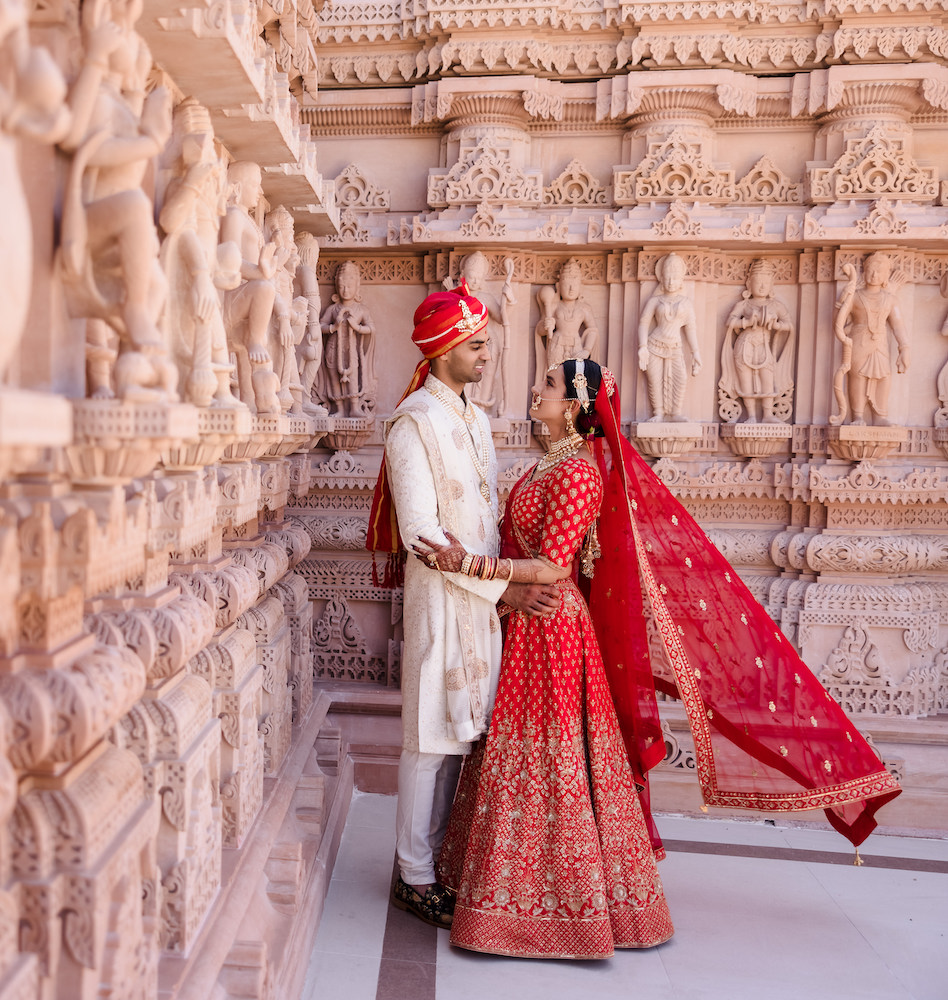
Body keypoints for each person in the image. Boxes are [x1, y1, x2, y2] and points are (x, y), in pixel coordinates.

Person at [418, 359, 902, 959]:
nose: (534, 390)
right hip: (524, 624)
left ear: (574, 404)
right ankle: (500, 893)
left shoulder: (577, 472)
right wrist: (486, 570)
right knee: (520, 755)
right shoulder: (544, 464)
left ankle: (559, 912)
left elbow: (554, 566)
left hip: (552, 630)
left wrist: (467, 566)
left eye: (546, 384)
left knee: (554, 761)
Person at [365, 284, 561, 929]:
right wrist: (505, 586)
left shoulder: (475, 420)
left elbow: (481, 518)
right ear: (446, 347)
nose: (486, 355)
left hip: (483, 599)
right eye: (477, 344)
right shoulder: (412, 423)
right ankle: (412, 876)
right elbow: (425, 537)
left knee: (468, 735)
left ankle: (443, 863)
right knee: (430, 737)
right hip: (443, 601)